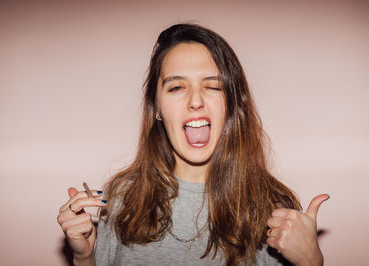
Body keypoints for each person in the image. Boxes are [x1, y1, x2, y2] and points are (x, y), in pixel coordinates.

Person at [57, 23, 329, 266]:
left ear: (232, 103)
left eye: (213, 86)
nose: (195, 101)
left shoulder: (275, 208)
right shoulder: (122, 198)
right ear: (157, 108)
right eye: (176, 87)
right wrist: (84, 257)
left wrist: (311, 263)